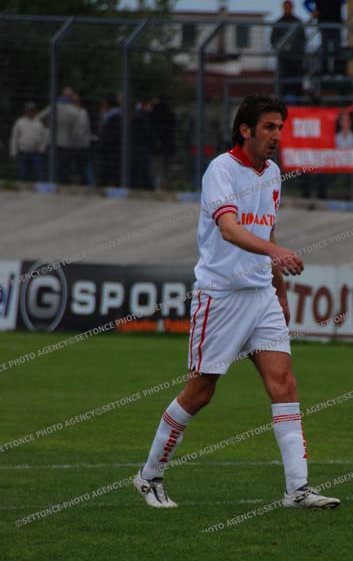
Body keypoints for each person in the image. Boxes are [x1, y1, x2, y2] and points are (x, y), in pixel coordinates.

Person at [133, 94, 340, 511]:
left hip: (261, 296)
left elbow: (269, 232)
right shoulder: (221, 170)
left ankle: (297, 489)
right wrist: (275, 252)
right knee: (200, 392)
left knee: (284, 383)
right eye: (269, 127)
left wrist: (280, 291)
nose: (276, 136)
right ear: (245, 130)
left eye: (280, 128)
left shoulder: (274, 173)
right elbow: (229, 229)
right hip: (221, 298)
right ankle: (149, 476)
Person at [304, 0, 346, 75]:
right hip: (324, 22)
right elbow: (306, 2)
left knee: (337, 48)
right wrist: (312, 11)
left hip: (336, 22)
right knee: (325, 48)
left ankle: (338, 72)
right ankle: (325, 71)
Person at [39, 86, 81, 184]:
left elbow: (40, 117)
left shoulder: (54, 107)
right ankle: (63, 185)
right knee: (64, 169)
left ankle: (49, 185)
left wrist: (48, 125)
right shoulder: (75, 111)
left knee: (51, 167)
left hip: (52, 141)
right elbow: (77, 130)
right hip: (67, 143)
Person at [271, 0, 306, 101]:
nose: (287, 9)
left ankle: (299, 103)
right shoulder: (278, 23)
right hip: (283, 59)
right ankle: (282, 103)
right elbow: (273, 40)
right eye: (286, 7)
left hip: (296, 59)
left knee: (297, 82)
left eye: (289, 7)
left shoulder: (298, 22)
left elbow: (303, 39)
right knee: (283, 84)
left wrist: (295, 49)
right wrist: (282, 49)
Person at [9, 102, 47, 181]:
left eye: (32, 110)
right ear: (25, 111)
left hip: (36, 152)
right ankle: (23, 186)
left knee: (40, 171)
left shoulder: (39, 123)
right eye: (28, 110)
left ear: (35, 112)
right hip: (23, 151)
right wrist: (13, 151)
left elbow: (44, 137)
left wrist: (42, 148)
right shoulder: (20, 122)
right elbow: (14, 138)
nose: (30, 112)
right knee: (23, 172)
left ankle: (41, 186)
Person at [98, 94, 122, 186]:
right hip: (114, 151)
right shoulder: (118, 116)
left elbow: (108, 136)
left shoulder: (111, 118)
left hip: (111, 151)